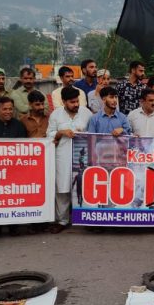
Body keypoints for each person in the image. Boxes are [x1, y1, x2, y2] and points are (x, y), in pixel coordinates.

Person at [48, 87, 92, 234]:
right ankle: (62, 220)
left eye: (77, 101)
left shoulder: (86, 113)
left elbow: (94, 133)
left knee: (83, 187)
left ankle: (87, 219)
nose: (76, 104)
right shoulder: (56, 115)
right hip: (63, 155)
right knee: (62, 188)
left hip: (83, 156)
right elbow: (49, 135)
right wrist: (61, 132)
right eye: (72, 102)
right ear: (64, 101)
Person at [0, 97, 27, 238]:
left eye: (10, 109)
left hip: (14, 170)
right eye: (5, 109)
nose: (8, 112)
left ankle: (13, 227)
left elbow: (24, 148)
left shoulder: (19, 125)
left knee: (12, 198)